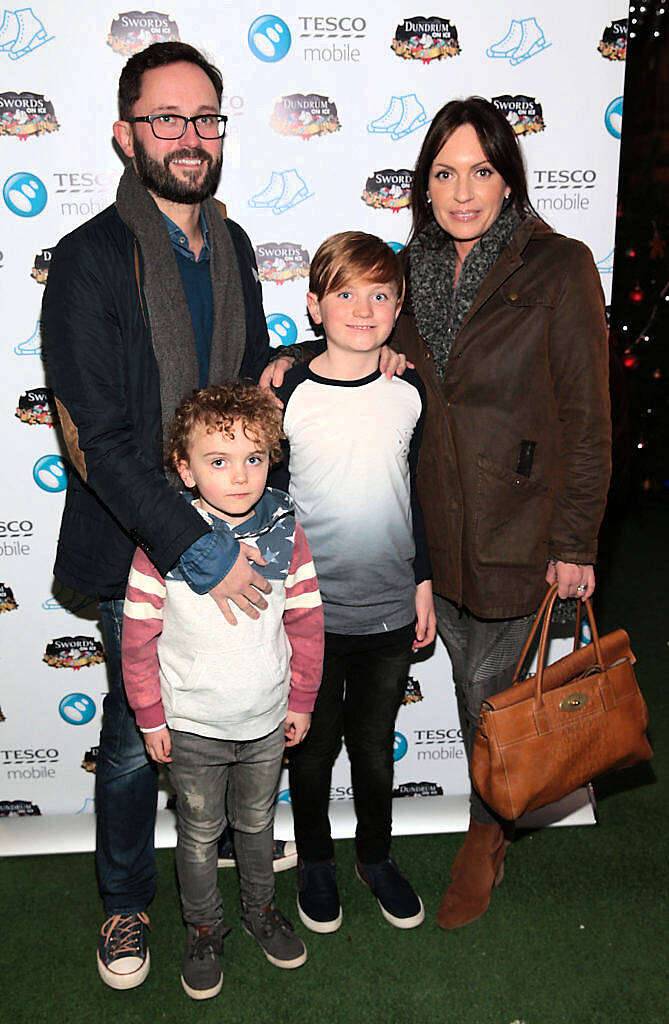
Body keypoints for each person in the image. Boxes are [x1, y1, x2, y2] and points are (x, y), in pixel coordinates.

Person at [40, 41, 292, 990]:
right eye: (165, 119)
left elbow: (249, 386)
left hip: (236, 532)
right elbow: (95, 441)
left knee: (234, 715)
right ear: (124, 132)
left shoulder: (227, 245)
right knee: (134, 738)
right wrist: (196, 550)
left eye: (203, 120)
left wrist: (344, 354)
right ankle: (122, 908)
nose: (188, 138)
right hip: (140, 547)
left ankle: (220, 868)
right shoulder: (88, 259)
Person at [392, 97, 611, 929]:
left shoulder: (557, 265)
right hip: (422, 530)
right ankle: (488, 815)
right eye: (443, 173)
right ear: (424, 184)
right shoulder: (405, 268)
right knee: (457, 684)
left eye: (480, 170)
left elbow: (588, 417)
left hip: (519, 529)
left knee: (491, 695)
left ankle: (487, 834)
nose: (461, 191)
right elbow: (357, 338)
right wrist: (288, 365)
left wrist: (574, 539)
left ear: (508, 177)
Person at [122, 382, 324, 999]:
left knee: (257, 827)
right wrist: (152, 717)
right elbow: (136, 639)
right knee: (200, 833)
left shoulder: (288, 530)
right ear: (184, 469)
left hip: (265, 722)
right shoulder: (165, 541)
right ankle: (203, 927)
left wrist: (301, 701)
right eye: (218, 460)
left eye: (254, 458)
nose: (240, 476)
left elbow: (307, 621)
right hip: (193, 727)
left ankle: (260, 911)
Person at [272, 232, 437, 933]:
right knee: (311, 750)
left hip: (390, 609)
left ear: (398, 306)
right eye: (344, 293)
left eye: (379, 294)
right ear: (314, 306)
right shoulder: (285, 389)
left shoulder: (407, 391)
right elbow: (264, 505)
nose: (362, 308)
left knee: (373, 746)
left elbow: (412, 493)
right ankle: (315, 862)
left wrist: (422, 581)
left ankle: (375, 857)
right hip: (309, 614)